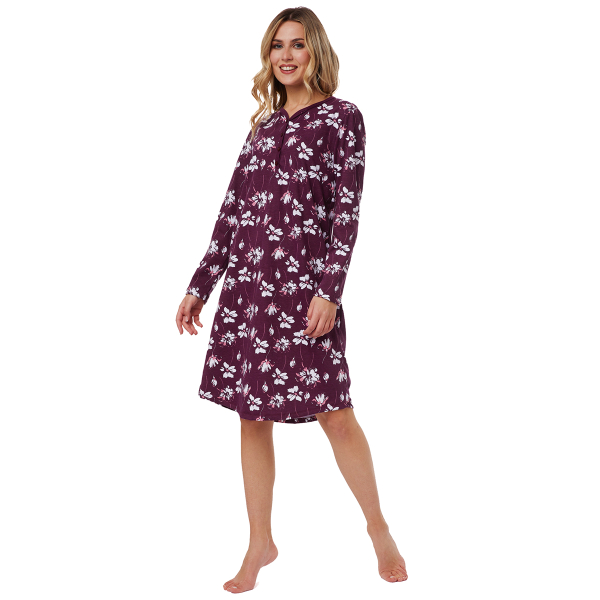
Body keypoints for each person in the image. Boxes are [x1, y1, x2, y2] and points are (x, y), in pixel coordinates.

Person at [175, 7, 407, 593]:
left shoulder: (343, 119)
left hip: (304, 294)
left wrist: (330, 290)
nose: (286, 55)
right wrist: (201, 284)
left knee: (336, 413)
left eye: (297, 45)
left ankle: (378, 528)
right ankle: (260, 542)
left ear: (315, 52)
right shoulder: (262, 128)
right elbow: (232, 212)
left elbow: (346, 212)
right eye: (277, 45)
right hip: (249, 293)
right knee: (252, 417)